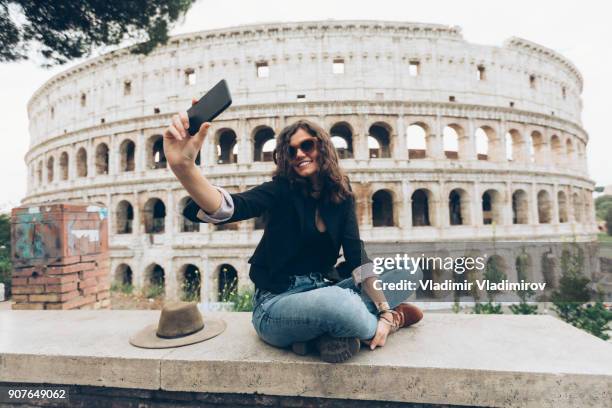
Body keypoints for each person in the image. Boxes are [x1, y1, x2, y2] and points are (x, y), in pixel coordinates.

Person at [164, 104, 423, 363]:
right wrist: (185, 167)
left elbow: (358, 258)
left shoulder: (342, 197)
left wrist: (383, 308)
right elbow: (231, 207)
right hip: (276, 305)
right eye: (290, 150)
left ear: (323, 147)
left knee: (409, 271)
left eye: (307, 145)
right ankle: (380, 325)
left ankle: (328, 333)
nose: (299, 153)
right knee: (339, 303)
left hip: (324, 289)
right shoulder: (281, 190)